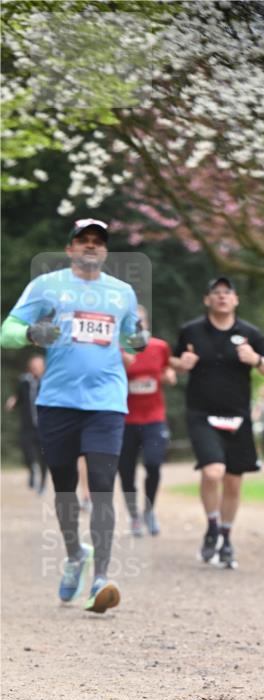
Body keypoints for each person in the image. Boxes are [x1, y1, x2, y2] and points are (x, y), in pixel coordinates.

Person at [0, 217, 147, 612]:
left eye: (98, 241)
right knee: (64, 488)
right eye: (83, 240)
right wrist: (30, 335)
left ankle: (100, 578)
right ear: (69, 249)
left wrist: (139, 339)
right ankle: (74, 555)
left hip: (106, 403)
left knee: (101, 484)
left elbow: (133, 338)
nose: (90, 246)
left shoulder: (122, 293)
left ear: (105, 250)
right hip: (57, 402)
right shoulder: (47, 286)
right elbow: (6, 331)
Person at [171, 276, 264, 568]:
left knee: (233, 482)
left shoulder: (249, 333)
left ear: (235, 300)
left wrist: (255, 359)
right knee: (212, 472)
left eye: (227, 292)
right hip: (201, 415)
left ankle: (225, 537)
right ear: (207, 300)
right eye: (215, 293)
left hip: (238, 416)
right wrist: (181, 365)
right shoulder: (191, 331)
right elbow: (173, 362)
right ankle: (211, 526)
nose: (222, 297)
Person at [118, 304, 175, 536]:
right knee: (126, 471)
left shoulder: (160, 347)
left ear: (147, 324)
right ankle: (133, 516)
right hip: (124, 420)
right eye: (132, 322)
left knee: (153, 464)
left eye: (140, 321)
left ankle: (149, 511)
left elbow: (166, 368)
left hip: (153, 417)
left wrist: (168, 374)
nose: (137, 326)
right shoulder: (117, 350)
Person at [5, 354, 48, 494]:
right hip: (28, 424)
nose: (36, 368)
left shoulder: (49, 382)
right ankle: (32, 470)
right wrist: (13, 401)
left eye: (38, 365)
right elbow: (18, 397)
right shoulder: (24, 382)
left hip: (44, 425)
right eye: (34, 365)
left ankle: (42, 483)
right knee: (27, 450)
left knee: (44, 456)